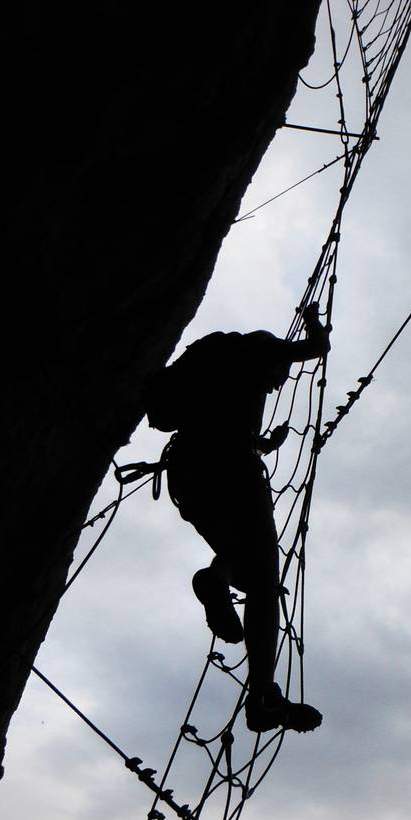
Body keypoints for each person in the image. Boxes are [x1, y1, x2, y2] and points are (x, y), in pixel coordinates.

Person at [143, 304, 331, 733]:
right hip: (235, 469)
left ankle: (217, 579)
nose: (276, 384)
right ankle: (262, 693)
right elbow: (317, 348)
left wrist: (265, 444)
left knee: (238, 555)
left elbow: (204, 419)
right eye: (278, 378)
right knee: (265, 582)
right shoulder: (261, 350)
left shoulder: (215, 360)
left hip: (188, 470)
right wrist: (313, 318)